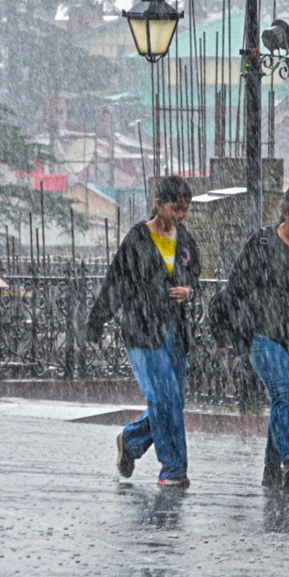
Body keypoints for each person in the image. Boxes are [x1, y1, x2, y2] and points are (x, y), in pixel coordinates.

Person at [86, 176, 201, 488]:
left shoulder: (185, 239)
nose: (180, 215)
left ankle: (132, 440)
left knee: (174, 400)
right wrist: (97, 320)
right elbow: (116, 281)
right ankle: (173, 469)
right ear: (158, 204)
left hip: (175, 331)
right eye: (175, 208)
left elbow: (195, 272)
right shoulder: (137, 238)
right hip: (142, 330)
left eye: (185, 210)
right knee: (163, 398)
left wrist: (188, 289)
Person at [219, 185, 289, 493]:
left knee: (285, 404)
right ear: (285, 213)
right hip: (265, 335)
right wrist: (231, 331)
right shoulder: (264, 241)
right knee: (281, 394)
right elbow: (237, 287)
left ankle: (271, 469)